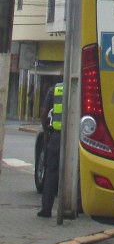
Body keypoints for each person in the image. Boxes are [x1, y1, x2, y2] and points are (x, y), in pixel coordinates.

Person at [37, 83, 63, 218]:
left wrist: (46, 132)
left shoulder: (55, 89)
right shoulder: (84, 87)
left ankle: (46, 208)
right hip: (77, 136)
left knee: (51, 172)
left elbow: (44, 113)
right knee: (77, 172)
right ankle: (76, 207)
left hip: (56, 136)